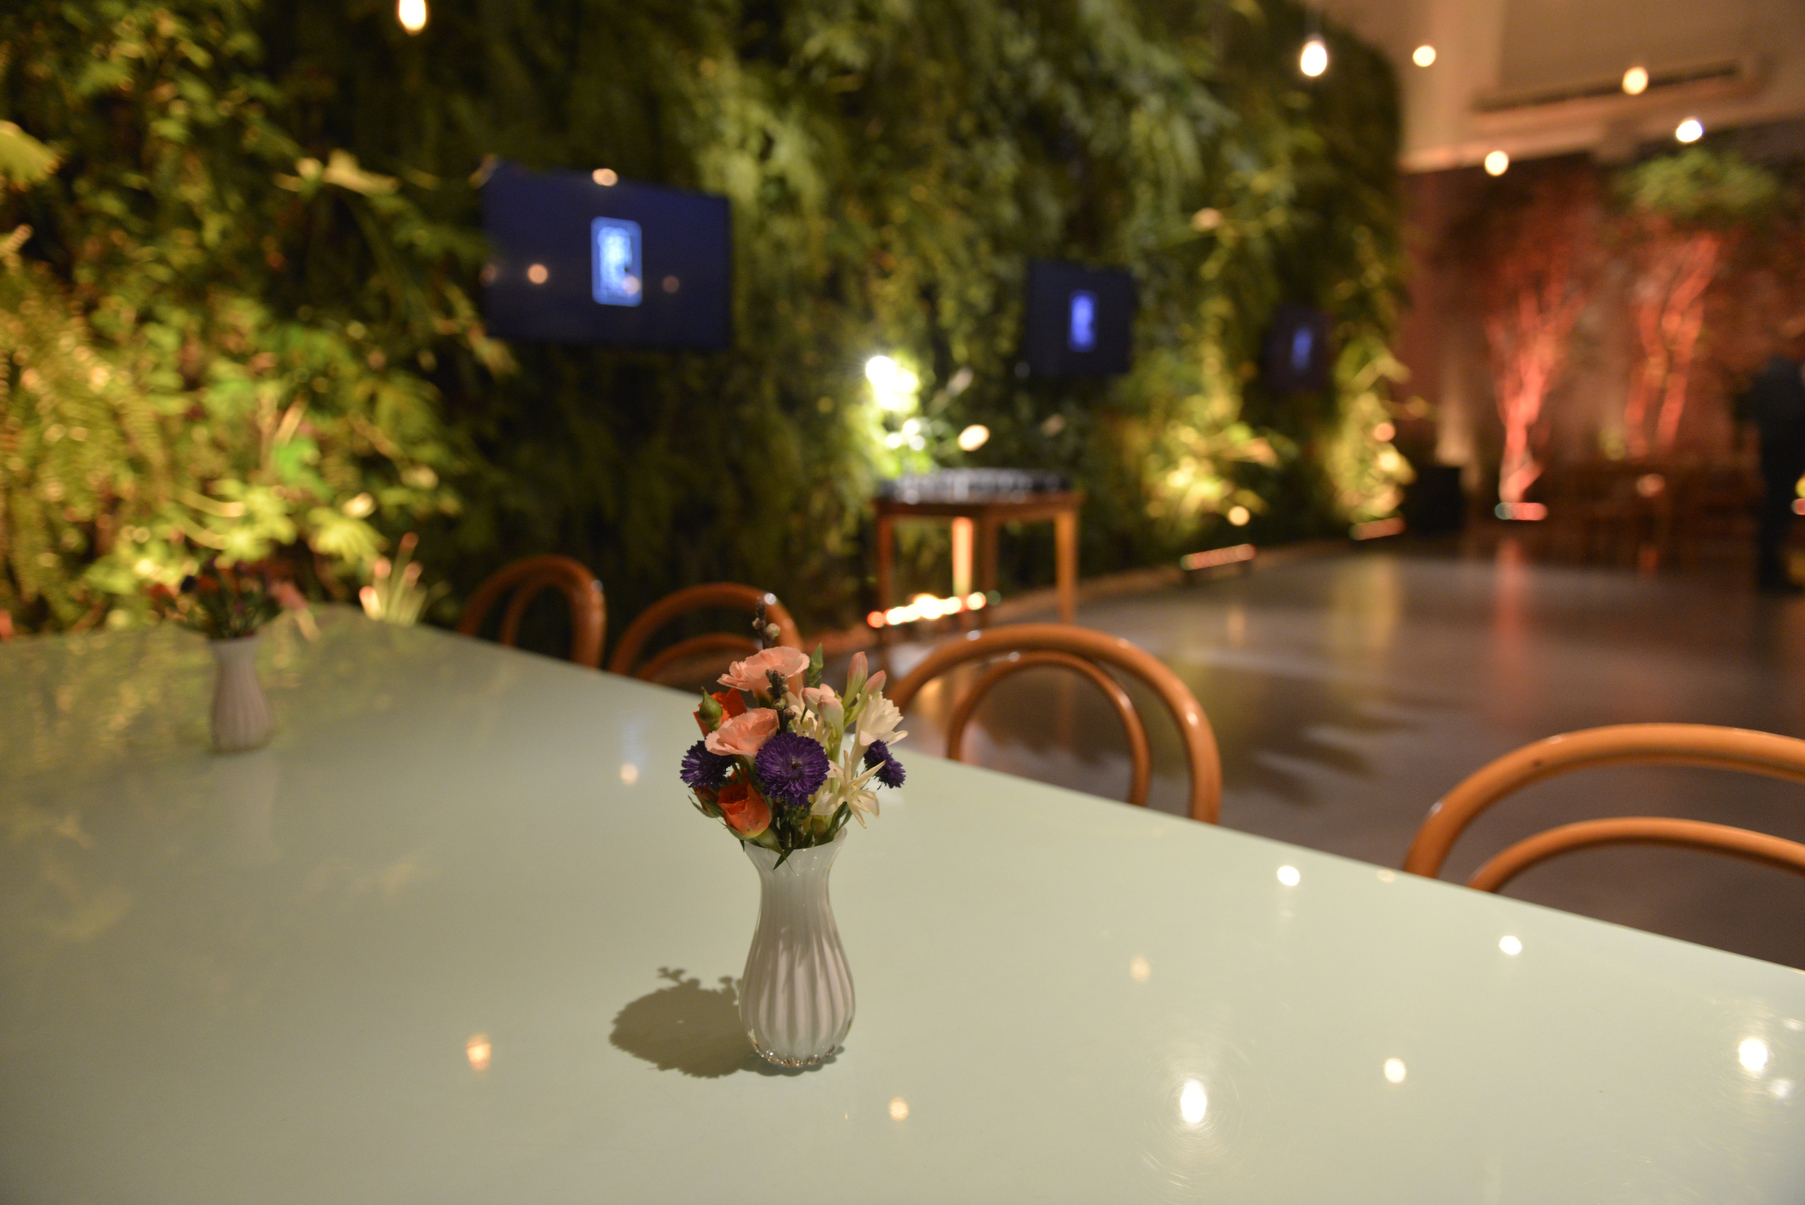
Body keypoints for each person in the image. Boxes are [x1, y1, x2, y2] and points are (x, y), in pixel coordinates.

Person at [1743, 345, 1805, 594]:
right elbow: (1790, 415)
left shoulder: (1784, 374)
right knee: (1776, 511)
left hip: (1783, 454)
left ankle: (1772, 572)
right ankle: (1769, 574)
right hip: (1782, 455)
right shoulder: (1778, 376)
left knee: (1778, 511)